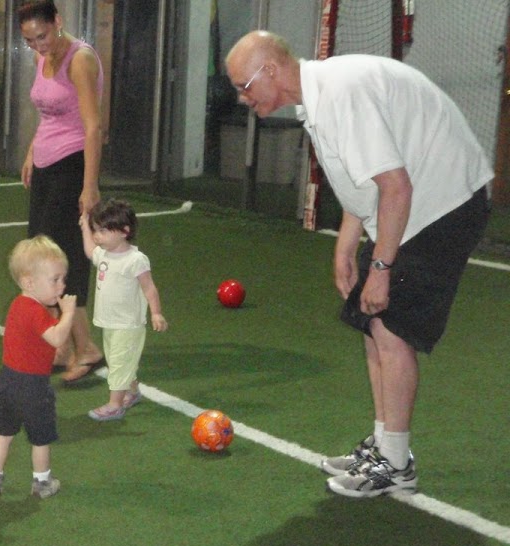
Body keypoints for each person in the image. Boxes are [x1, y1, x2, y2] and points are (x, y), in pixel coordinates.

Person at [226, 31, 492, 497]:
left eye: (244, 87)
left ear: (270, 70)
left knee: (391, 328)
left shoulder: (341, 95)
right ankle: (385, 446)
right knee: (372, 324)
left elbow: (396, 186)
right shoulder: (318, 100)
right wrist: (345, 247)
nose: (242, 99)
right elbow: (365, 180)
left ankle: (396, 465)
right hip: (411, 203)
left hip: (442, 203)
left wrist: (381, 269)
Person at [17, 0, 106, 384]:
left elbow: (93, 127)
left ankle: (87, 349)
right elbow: (47, 114)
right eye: (29, 40)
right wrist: (31, 153)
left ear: (58, 21)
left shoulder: (79, 60)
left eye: (42, 36)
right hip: (46, 166)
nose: (38, 46)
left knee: (63, 260)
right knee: (42, 257)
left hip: (72, 167)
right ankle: (64, 347)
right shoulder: (43, 56)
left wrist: (90, 185)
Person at [0, 235, 75, 499]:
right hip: (33, 387)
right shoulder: (36, 311)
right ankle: (42, 482)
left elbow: (32, 342)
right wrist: (68, 313)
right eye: (55, 280)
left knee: (3, 434)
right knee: (40, 439)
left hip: (7, 381)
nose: (62, 286)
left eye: (63, 279)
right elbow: (57, 338)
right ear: (29, 282)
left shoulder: (18, 305)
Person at [78, 199, 168, 421]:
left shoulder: (135, 260)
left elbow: (149, 288)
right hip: (109, 322)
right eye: (96, 230)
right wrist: (85, 228)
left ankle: (115, 405)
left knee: (118, 363)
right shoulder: (104, 254)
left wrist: (156, 313)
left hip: (128, 324)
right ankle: (133, 391)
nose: (97, 236)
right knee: (118, 361)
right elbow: (89, 251)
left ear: (124, 231)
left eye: (103, 231)